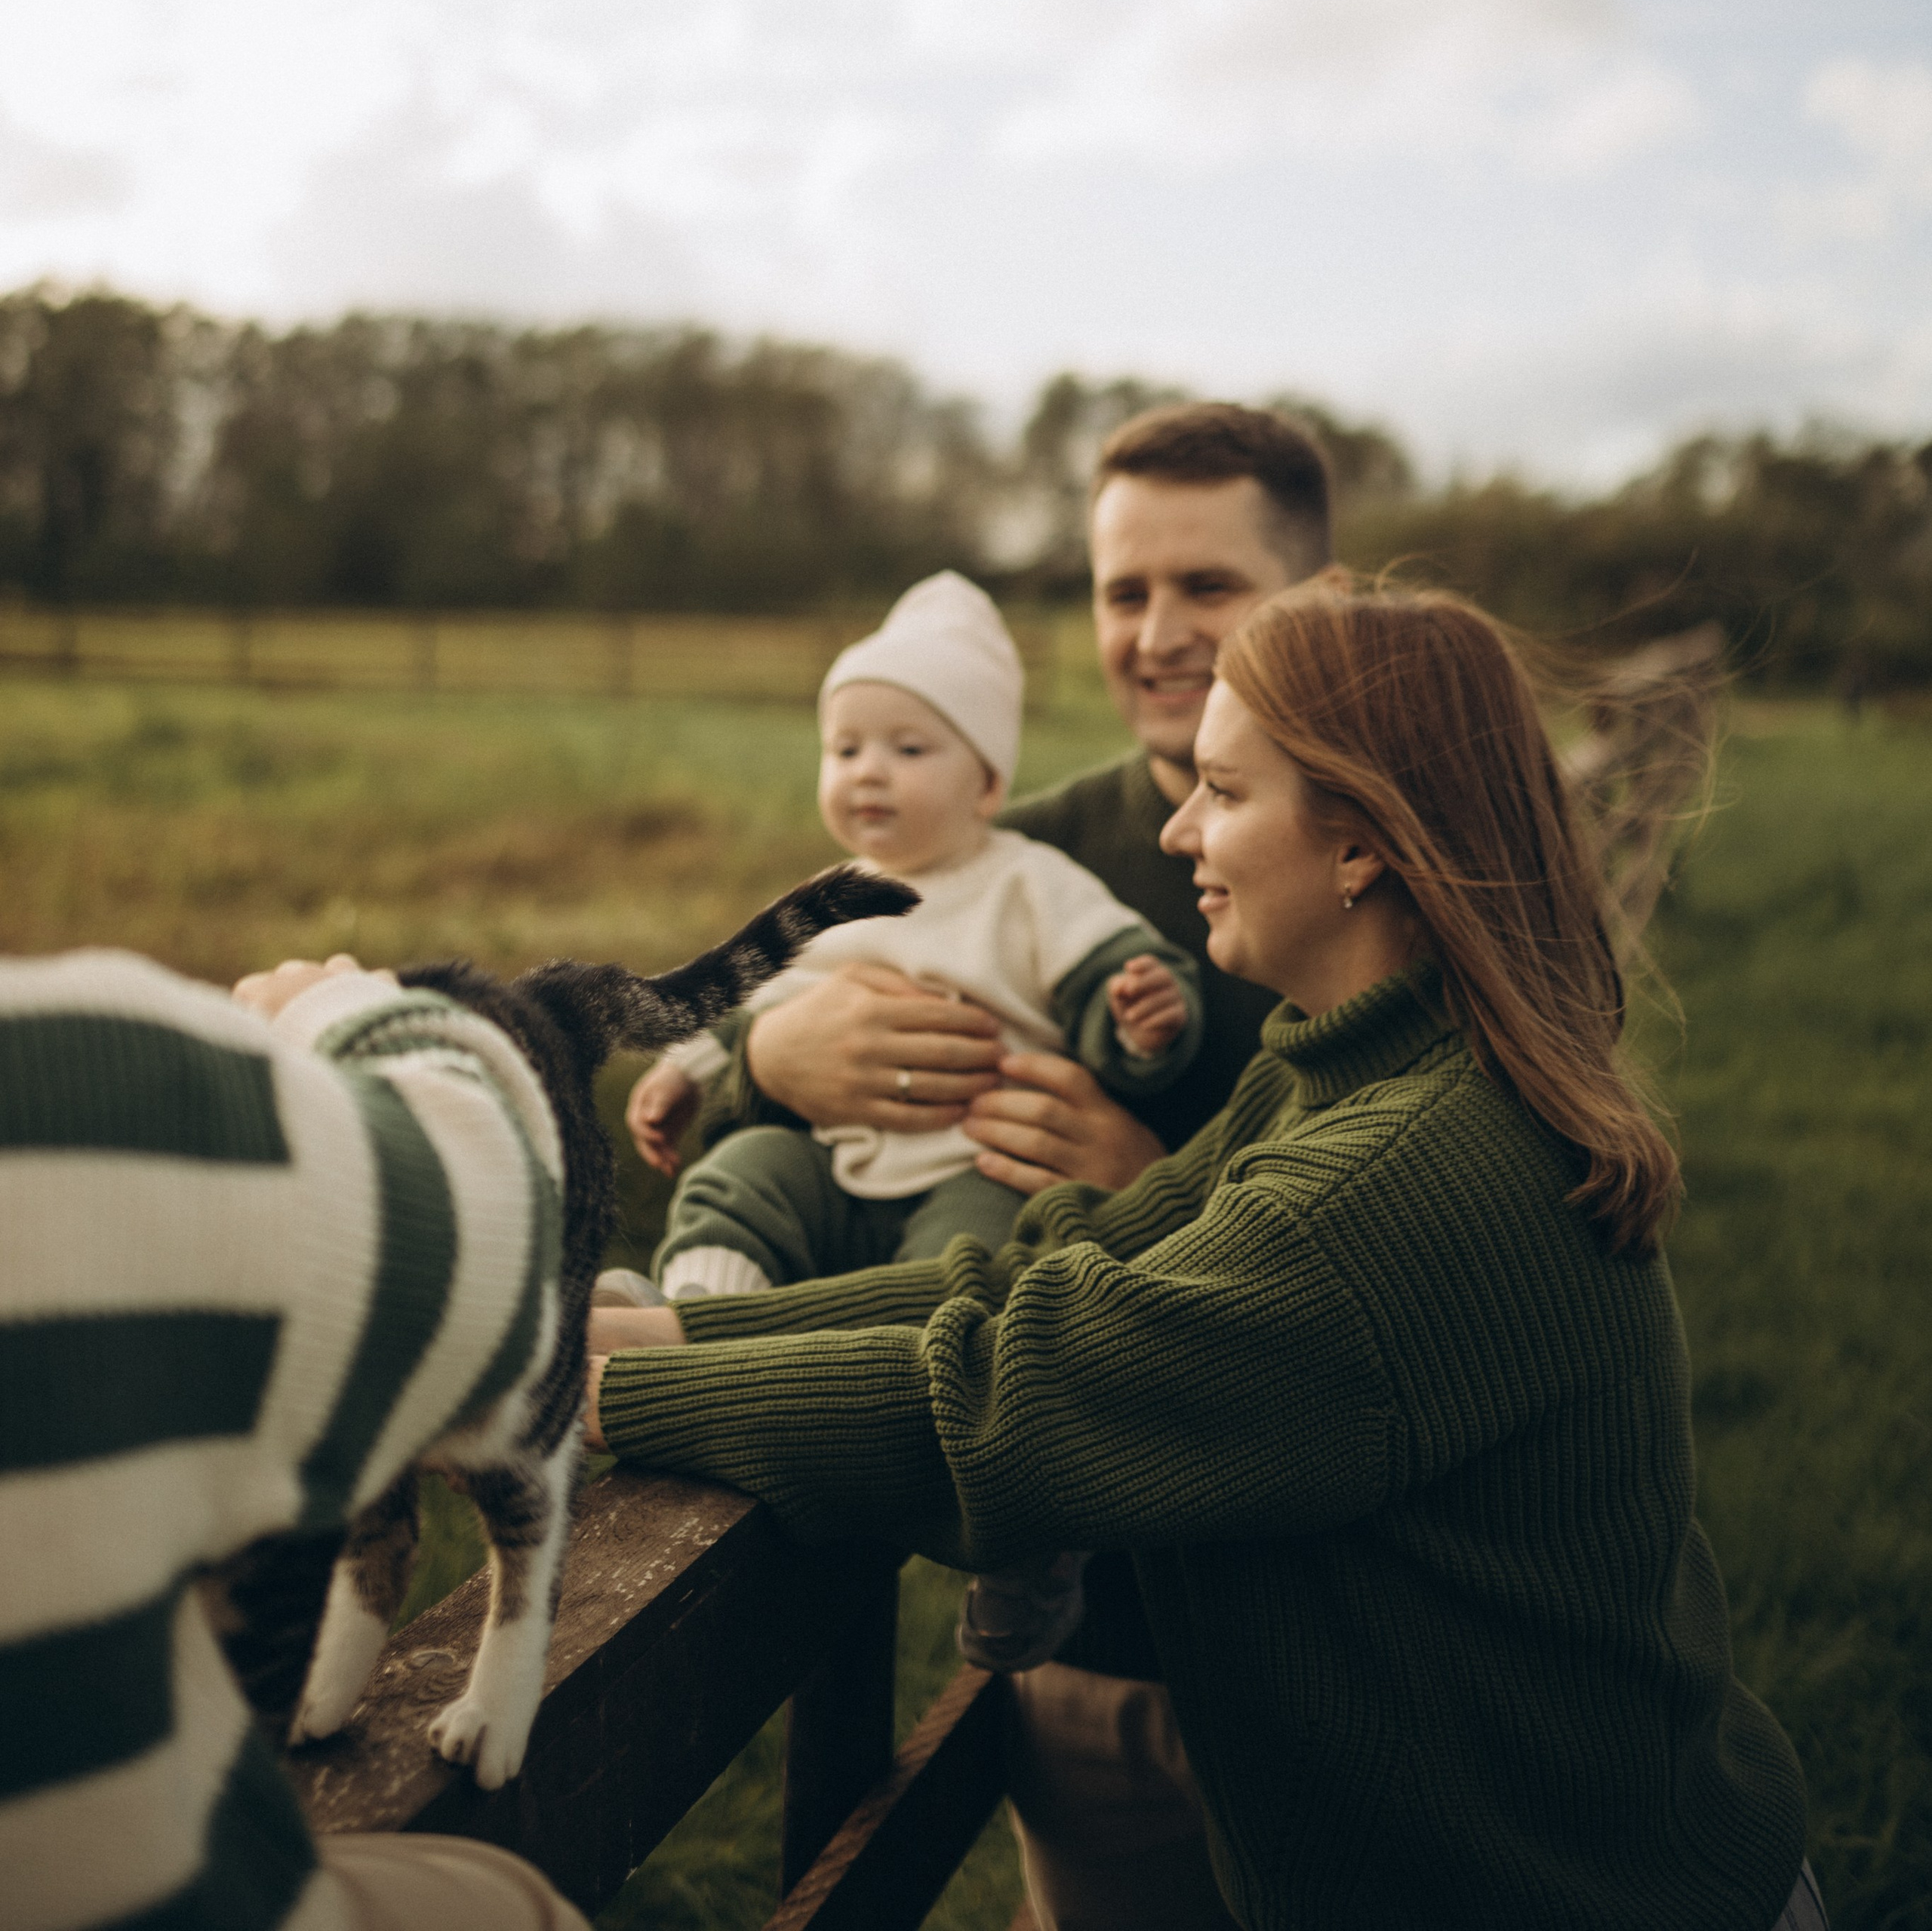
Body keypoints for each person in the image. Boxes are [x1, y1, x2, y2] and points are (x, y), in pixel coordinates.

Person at [584, 580, 1825, 1931]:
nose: (1176, 829)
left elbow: (1017, 1405)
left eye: (1225, 794)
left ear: (1360, 845)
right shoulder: (1354, 1072)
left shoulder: (1391, 1184)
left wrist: (608, 1399)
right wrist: (673, 1336)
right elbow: (1047, 1269)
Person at [623, 400, 1331, 1923]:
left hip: (1318, 1615)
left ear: (1307, 598)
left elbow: (1374, 1215)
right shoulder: (1019, 835)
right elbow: (762, 1009)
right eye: (1120, 591)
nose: (1155, 632)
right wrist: (764, 1059)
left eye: (1206, 587)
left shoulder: (1350, 871)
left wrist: (1145, 1176)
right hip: (1089, 1623)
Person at [0, 944, 591, 1931]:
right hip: (178, 1898)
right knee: (506, 1903)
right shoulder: (71, 1083)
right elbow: (501, 1223)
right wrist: (340, 1011)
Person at [627, 570, 1201, 1305]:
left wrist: (1139, 1022)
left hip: (979, 1161)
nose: (869, 773)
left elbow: (1107, 967)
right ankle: (701, 1310)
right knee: (741, 1173)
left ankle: (895, 1375)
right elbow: (746, 994)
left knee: (967, 1259)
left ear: (987, 785)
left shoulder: (1026, 882)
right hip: (835, 1156)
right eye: (845, 750)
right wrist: (681, 1070)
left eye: (907, 751)